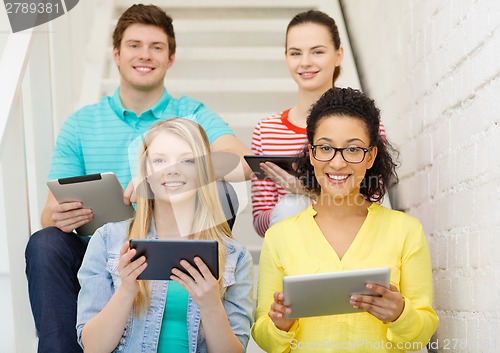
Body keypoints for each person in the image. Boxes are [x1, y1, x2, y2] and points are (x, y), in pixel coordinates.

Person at [25, 4, 251, 353]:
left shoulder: (191, 114)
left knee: (223, 193)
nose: (144, 55)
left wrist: (165, 176)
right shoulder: (82, 123)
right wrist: (62, 215)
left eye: (156, 47)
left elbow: (243, 163)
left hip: (179, 226)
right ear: (116, 53)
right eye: (134, 45)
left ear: (171, 58)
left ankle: (204, 265)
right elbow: (47, 214)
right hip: (104, 247)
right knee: (44, 241)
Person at [252, 87, 438, 352]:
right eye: (326, 147)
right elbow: (263, 335)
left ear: (371, 156)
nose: (338, 164)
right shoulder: (280, 236)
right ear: (312, 153)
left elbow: (422, 333)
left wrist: (400, 314)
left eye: (353, 149)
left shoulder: (406, 231)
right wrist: (280, 325)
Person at [76, 118, 254, 353]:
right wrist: (127, 290)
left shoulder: (235, 256)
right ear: (146, 172)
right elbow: (93, 348)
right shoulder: (108, 240)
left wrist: (211, 305)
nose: (172, 169)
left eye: (187, 160)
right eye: (160, 160)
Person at [251, 10, 387, 236]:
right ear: (286, 57)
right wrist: (296, 200)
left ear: (338, 55)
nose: (305, 62)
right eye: (295, 53)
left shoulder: (365, 122)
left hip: (353, 240)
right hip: (294, 246)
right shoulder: (266, 131)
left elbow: (373, 202)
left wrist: (308, 192)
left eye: (317, 52)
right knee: (290, 207)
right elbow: (261, 222)